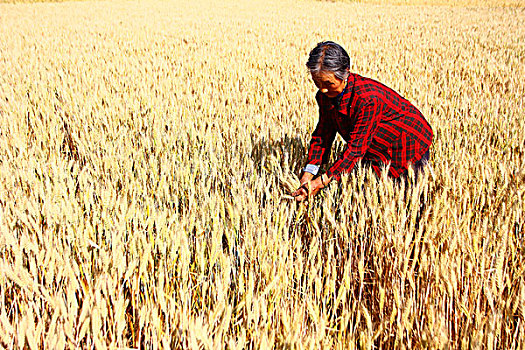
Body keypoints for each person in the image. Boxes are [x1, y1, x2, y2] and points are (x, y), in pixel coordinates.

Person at [292, 41, 433, 202]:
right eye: (317, 83)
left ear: (345, 72)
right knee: (374, 197)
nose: (322, 89)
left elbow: (356, 150)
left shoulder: (367, 99)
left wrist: (321, 182)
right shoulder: (324, 96)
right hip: (375, 143)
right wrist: (307, 175)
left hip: (408, 141)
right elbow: (323, 136)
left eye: (328, 83)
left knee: (409, 197)